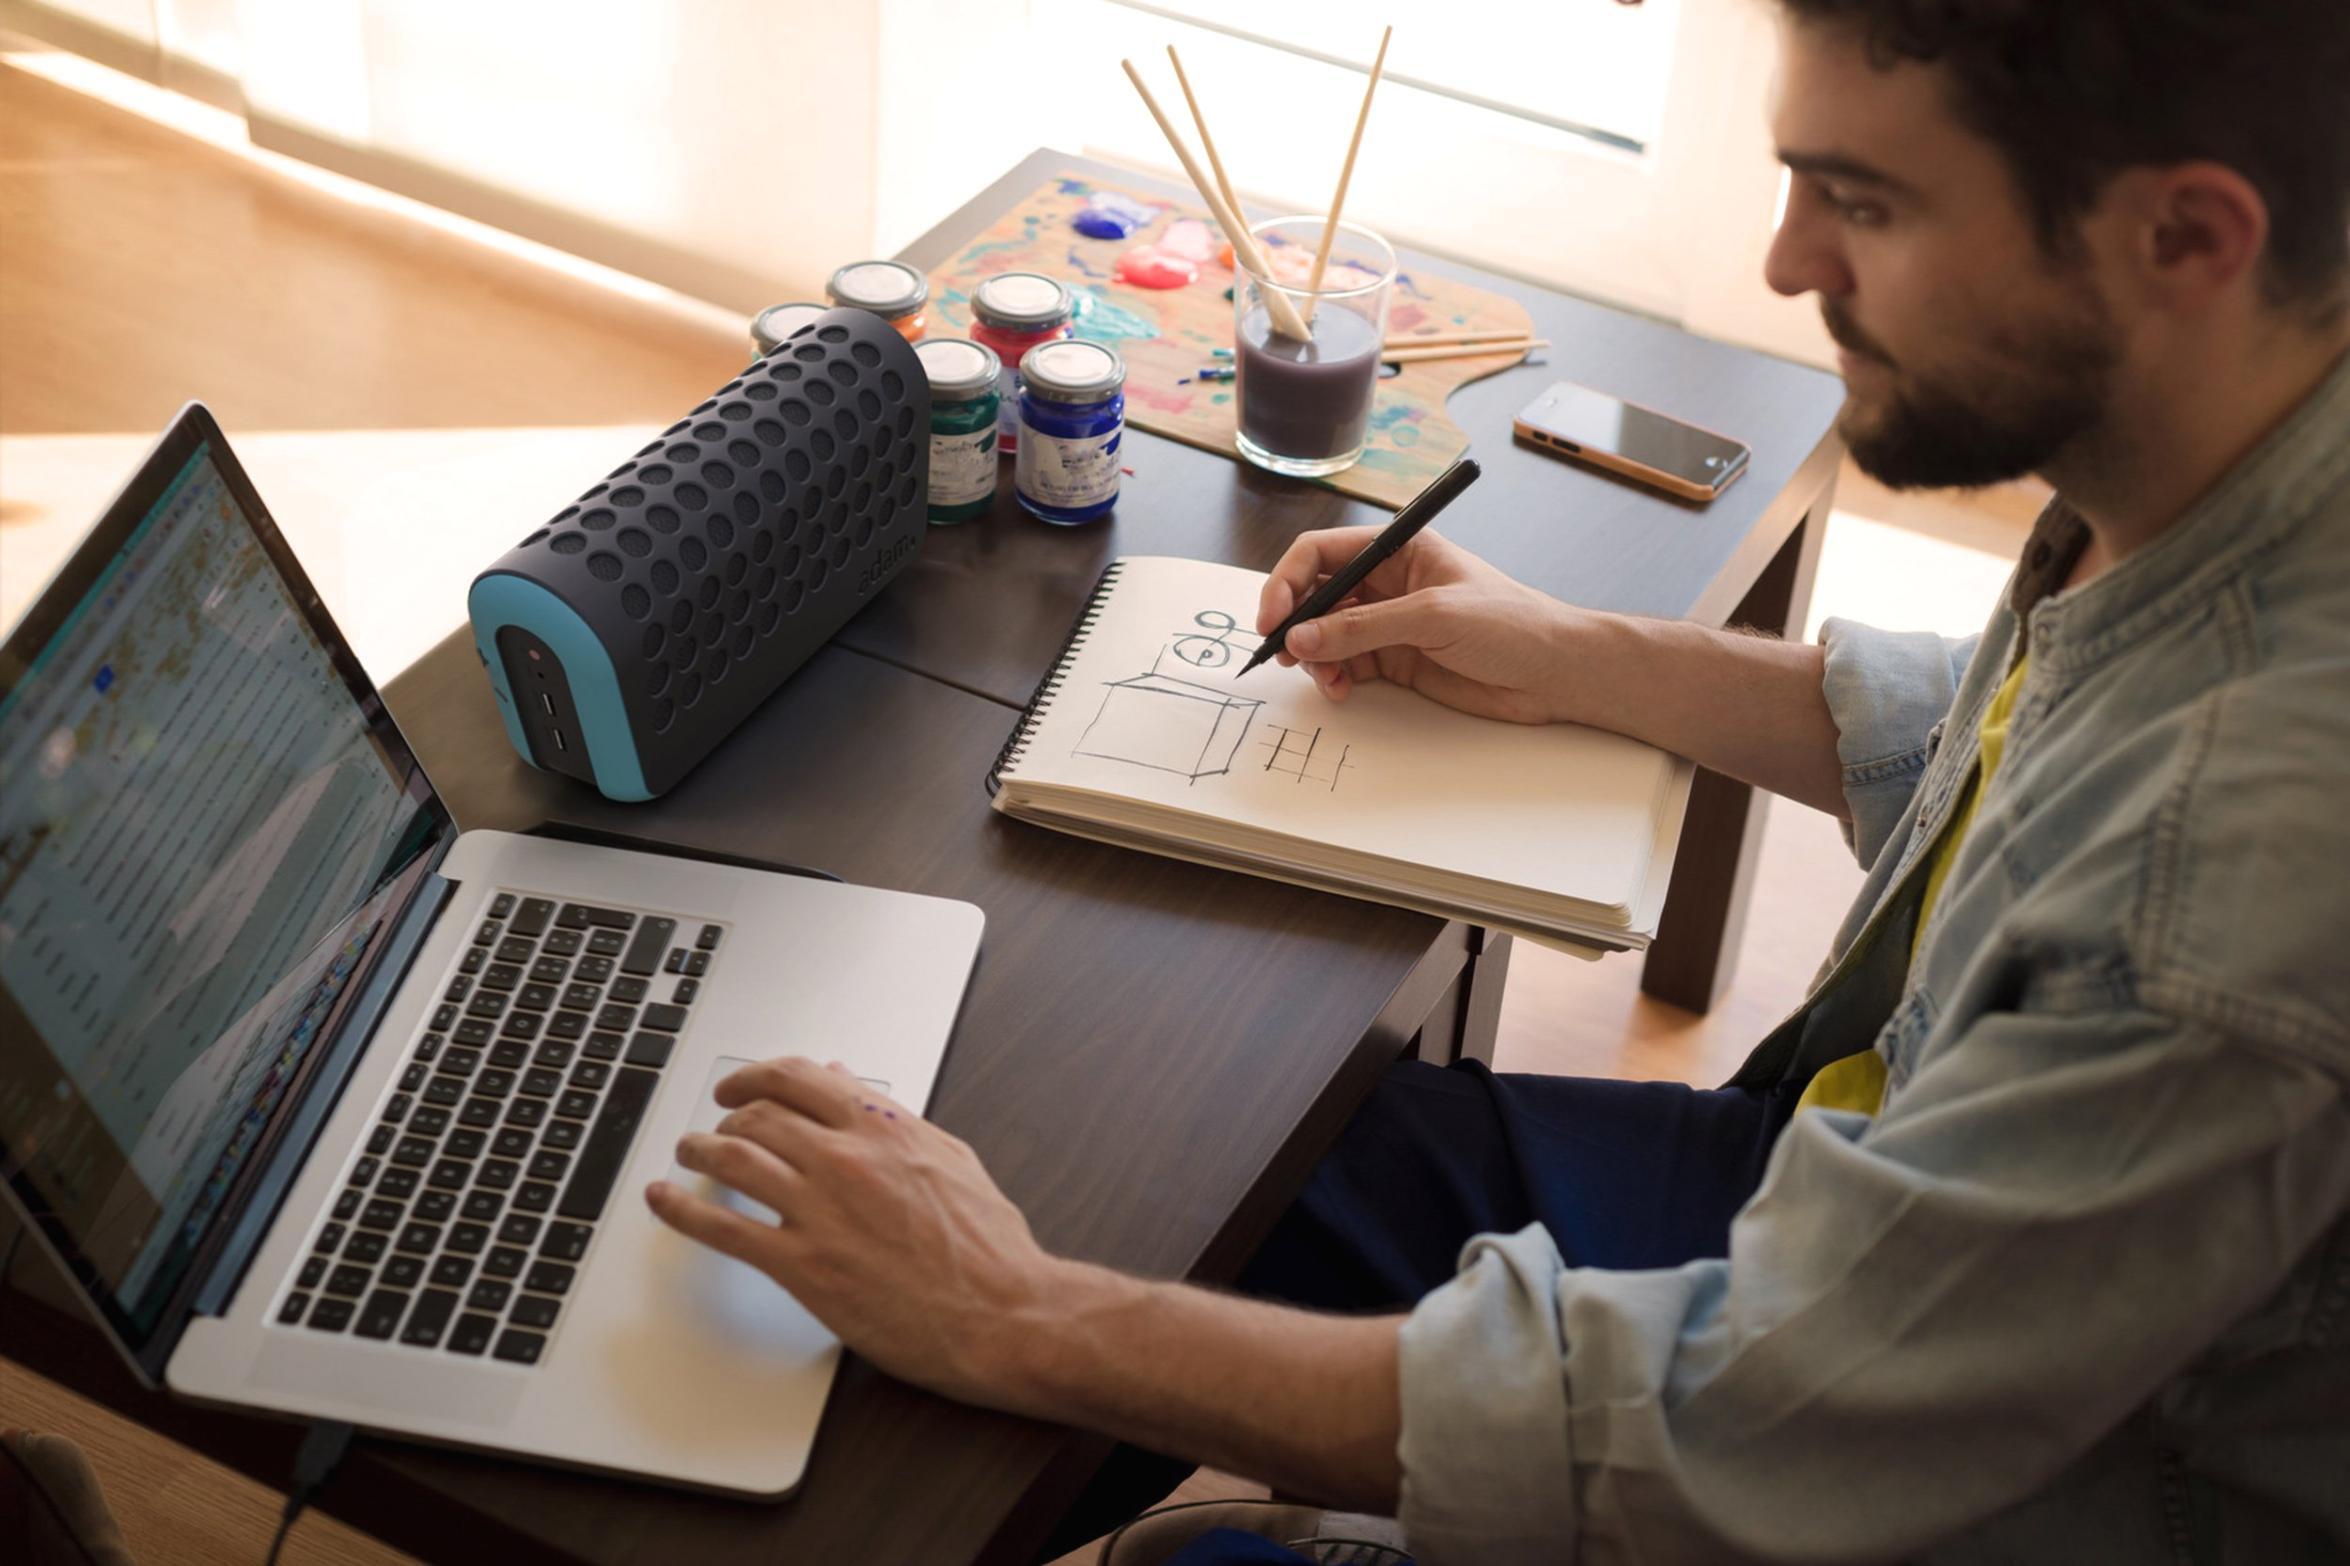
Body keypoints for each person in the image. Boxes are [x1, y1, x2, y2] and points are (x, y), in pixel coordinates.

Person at [644, 2, 2350, 1560]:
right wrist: (1575, 653)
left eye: (1865, 202)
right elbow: (2014, 733)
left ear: (2183, 236)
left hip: (1996, 1487)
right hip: (1855, 1167)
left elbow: (1748, 1422)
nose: (1781, 259)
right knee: (1198, 1161)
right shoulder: (2231, 438)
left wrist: (1017, 1316)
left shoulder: (2232, 880)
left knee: (1100, 1414)